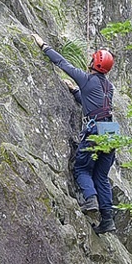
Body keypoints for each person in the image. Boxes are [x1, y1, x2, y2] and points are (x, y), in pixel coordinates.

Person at [32, 33, 120, 234]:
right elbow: (96, 104)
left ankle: (90, 200)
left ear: (95, 63)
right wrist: (75, 92)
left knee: (82, 168)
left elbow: (63, 64)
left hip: (96, 130)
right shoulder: (110, 87)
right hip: (111, 131)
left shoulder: (87, 79)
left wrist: (44, 46)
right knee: (101, 176)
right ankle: (107, 220)